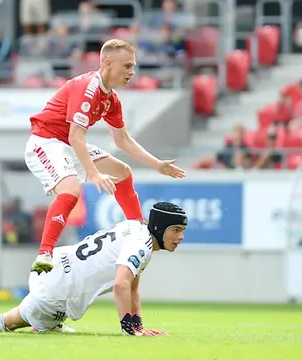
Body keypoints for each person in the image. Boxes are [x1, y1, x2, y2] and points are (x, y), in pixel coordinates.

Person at [24, 38, 185, 274]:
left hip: (68, 143)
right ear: (108, 63)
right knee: (71, 190)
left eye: (133, 66)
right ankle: (45, 253)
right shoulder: (88, 89)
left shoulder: (110, 98)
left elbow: (122, 140)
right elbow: (76, 136)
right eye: (127, 66)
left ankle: (137, 230)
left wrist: (156, 164)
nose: (132, 72)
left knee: (122, 172)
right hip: (45, 142)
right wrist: (93, 173)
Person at [0, 201, 187, 336]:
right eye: (176, 230)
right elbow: (121, 284)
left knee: (30, 321)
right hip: (56, 292)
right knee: (7, 322)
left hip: (57, 267)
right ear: (159, 228)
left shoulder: (136, 229)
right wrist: (130, 329)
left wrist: (139, 323)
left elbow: (132, 286)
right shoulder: (141, 244)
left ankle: (47, 325)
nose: (180, 237)